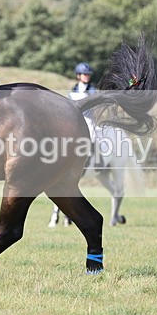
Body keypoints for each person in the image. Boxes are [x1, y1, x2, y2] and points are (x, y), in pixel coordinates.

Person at [50, 62, 99, 227]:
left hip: (90, 125)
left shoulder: (93, 91)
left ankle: (91, 162)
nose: (87, 77)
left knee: (95, 138)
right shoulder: (72, 92)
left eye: (88, 75)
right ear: (78, 76)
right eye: (84, 75)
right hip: (75, 125)